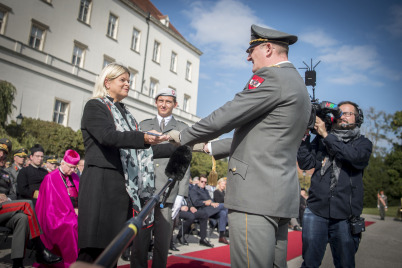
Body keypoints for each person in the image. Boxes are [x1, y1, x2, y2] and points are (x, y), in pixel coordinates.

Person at [168, 24, 311, 267]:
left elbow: (226, 116)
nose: (247, 56)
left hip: (254, 196)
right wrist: (205, 147)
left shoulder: (271, 77)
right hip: (279, 196)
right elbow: (261, 139)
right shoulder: (297, 84)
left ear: (267, 48)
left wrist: (183, 137)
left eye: (251, 49)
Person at [77, 62, 169, 264]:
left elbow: (144, 148)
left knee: (112, 251)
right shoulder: (95, 106)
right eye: (123, 80)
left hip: (121, 187)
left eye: (129, 80)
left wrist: (182, 144)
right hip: (101, 184)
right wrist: (143, 137)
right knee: (93, 253)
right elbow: (107, 136)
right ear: (107, 82)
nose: (128, 84)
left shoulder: (126, 114)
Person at [297, 101, 372, 267]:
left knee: (345, 264)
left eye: (348, 113)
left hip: (345, 216)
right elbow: (306, 163)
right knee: (309, 263)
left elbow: (352, 157)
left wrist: (325, 134)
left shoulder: (363, 144)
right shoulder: (322, 140)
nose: (342, 116)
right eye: (340, 113)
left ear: (357, 118)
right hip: (316, 210)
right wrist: (305, 134)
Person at [131, 88, 190, 268]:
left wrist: (182, 193)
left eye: (168, 101)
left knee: (162, 242)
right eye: (161, 101)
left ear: (175, 105)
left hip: (168, 190)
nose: (164, 105)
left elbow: (186, 160)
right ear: (156, 102)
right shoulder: (143, 125)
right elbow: (134, 156)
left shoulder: (182, 128)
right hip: (144, 190)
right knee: (139, 240)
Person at [0, 138, 62, 268]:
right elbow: (22, 191)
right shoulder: (24, 172)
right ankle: (41, 250)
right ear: (31, 157)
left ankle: (17, 264)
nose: (2, 156)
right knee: (27, 205)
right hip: (30, 202)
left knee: (22, 218)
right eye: (0, 152)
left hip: (7, 207)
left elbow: (13, 192)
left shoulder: (5, 174)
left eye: (4, 154)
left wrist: (7, 198)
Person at [35, 149, 81, 268]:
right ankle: (70, 262)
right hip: (56, 216)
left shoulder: (75, 176)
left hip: (75, 211)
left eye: (75, 168)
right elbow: (52, 206)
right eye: (71, 167)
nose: (73, 170)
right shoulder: (51, 178)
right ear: (63, 163)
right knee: (72, 225)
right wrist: (73, 212)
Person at [189, 176, 229, 245]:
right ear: (198, 181)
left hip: (209, 209)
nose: (204, 183)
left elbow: (210, 199)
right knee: (225, 206)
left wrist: (211, 202)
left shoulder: (205, 190)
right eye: (202, 181)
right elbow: (196, 202)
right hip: (200, 210)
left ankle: (222, 236)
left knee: (222, 213)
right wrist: (206, 202)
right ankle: (230, 224)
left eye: (205, 182)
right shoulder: (193, 190)